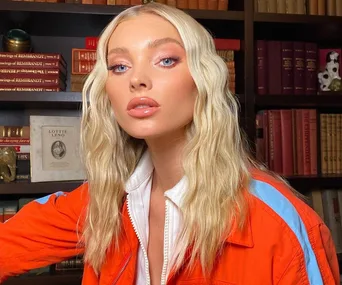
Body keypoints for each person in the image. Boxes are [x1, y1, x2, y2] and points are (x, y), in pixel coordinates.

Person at [0, 3, 340, 285]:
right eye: (119, 66)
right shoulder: (103, 201)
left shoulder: (279, 223)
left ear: (202, 79)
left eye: (166, 60)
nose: (137, 79)